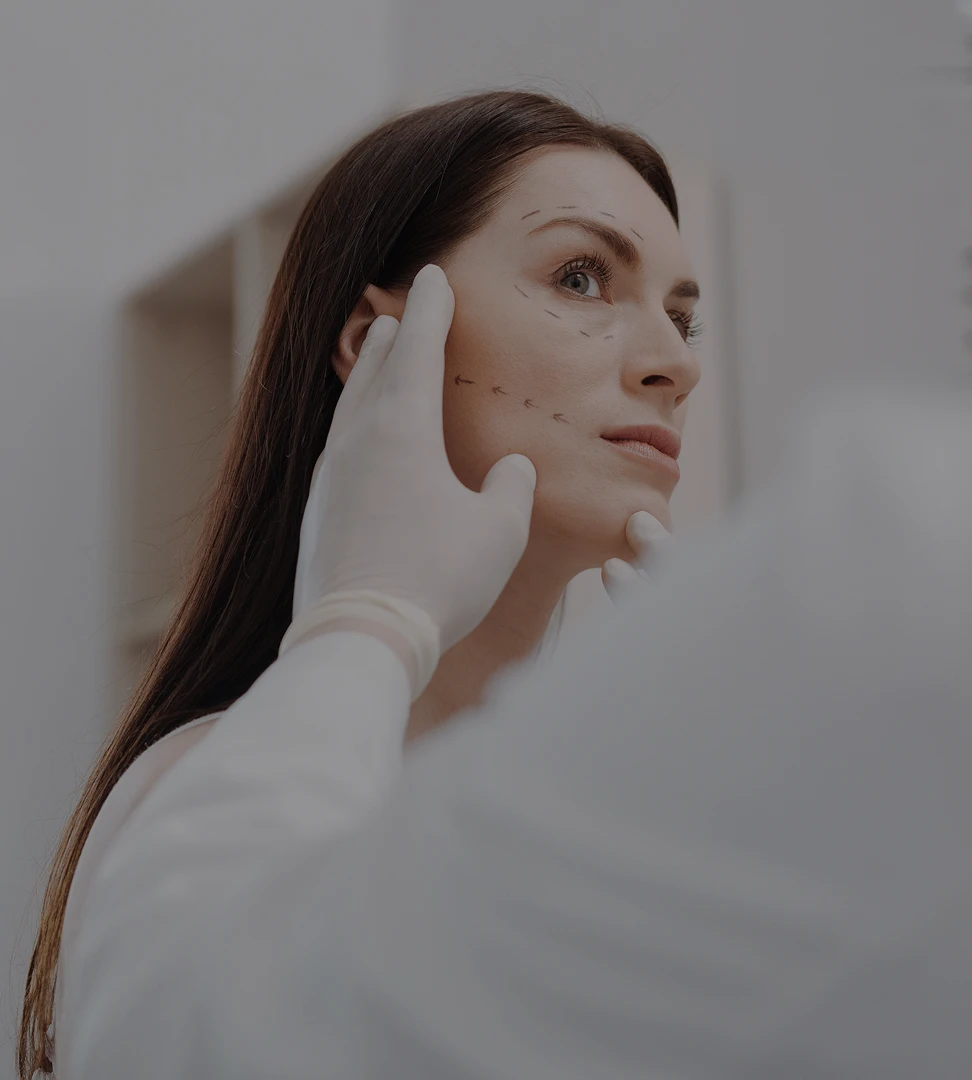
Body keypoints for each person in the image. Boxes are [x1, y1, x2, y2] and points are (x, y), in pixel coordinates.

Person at [18, 89, 700, 1078]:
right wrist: (369, 623)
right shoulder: (204, 791)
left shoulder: (587, 823)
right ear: (377, 345)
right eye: (583, 276)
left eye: (686, 318)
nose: (674, 362)